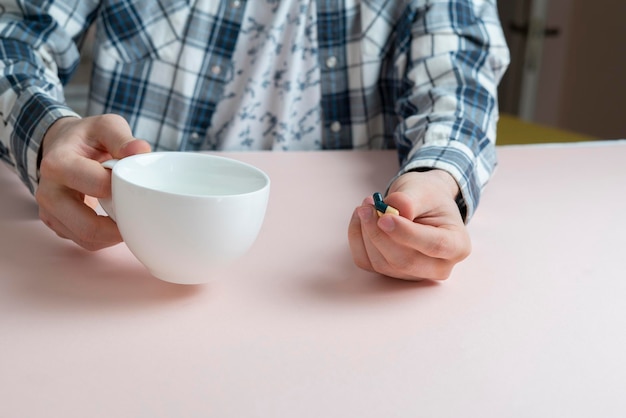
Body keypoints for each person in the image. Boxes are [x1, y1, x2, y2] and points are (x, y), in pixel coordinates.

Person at [0, 0, 509, 281]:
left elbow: (458, 76)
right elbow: (15, 35)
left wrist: (438, 178)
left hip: (329, 270)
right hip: (121, 266)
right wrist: (50, 133)